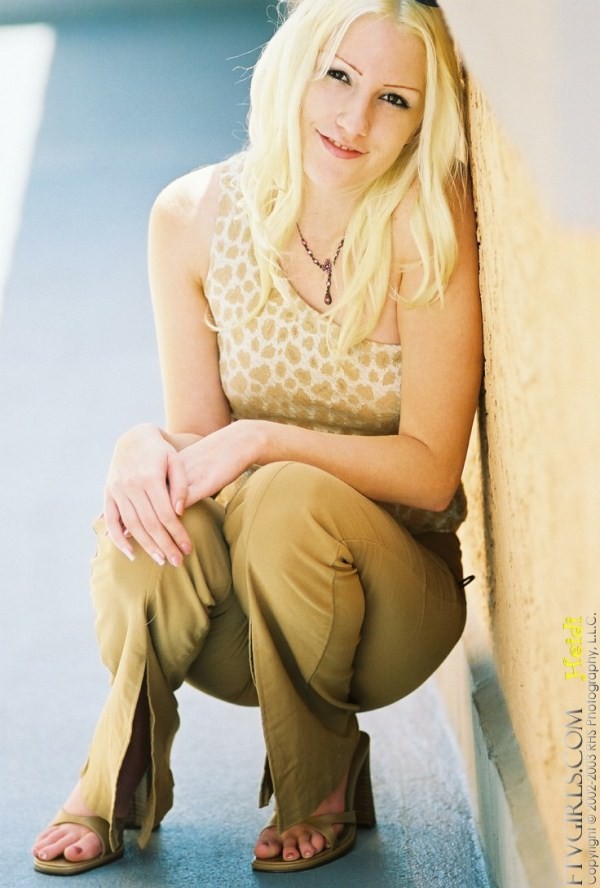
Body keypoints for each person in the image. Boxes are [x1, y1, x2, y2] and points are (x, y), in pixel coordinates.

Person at [32, 0, 482, 875]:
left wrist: (264, 442)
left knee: (280, 490)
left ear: (424, 122)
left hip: (390, 611)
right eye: (339, 76)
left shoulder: (426, 226)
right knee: (149, 520)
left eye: (396, 100)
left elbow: (431, 476)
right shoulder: (193, 216)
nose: (354, 120)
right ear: (294, 67)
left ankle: (317, 775)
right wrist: (139, 445)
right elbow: (201, 443)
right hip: (244, 623)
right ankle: (117, 774)